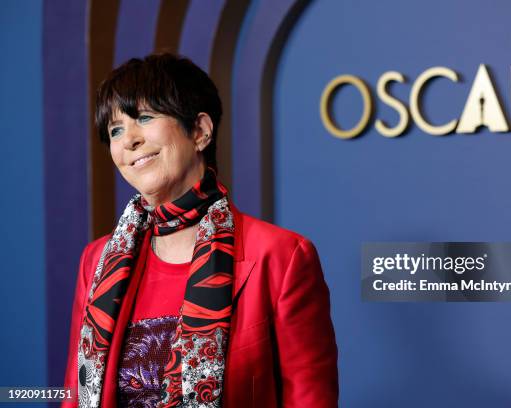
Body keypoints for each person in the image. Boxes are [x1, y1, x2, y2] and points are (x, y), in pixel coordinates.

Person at [62, 54, 338, 407]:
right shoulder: (96, 261)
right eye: (115, 130)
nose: (128, 140)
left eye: (144, 117)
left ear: (200, 131)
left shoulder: (281, 257)